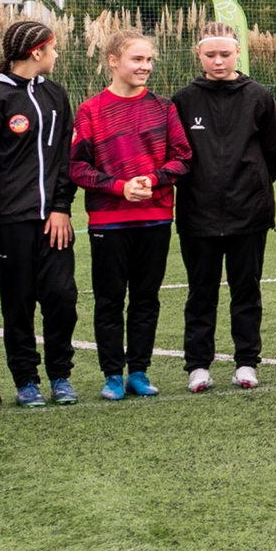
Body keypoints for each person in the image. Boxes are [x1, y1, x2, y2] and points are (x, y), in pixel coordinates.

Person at [70, 29, 192, 400]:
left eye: (149, 60)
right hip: (109, 220)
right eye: (137, 59)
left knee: (146, 298)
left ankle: (138, 371)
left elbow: (184, 158)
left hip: (155, 217)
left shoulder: (163, 107)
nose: (145, 66)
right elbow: (77, 168)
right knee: (109, 299)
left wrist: (153, 180)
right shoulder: (91, 110)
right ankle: (111, 375)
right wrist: (119, 187)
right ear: (113, 61)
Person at [172, 24, 276, 394]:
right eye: (210, 54)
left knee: (246, 291)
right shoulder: (184, 100)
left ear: (238, 52)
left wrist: (249, 185)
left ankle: (247, 362)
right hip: (197, 214)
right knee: (200, 292)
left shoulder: (259, 96)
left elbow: (274, 155)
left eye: (225, 54)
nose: (218, 61)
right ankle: (198, 366)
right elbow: (177, 155)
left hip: (248, 214)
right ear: (199, 55)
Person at [0, 18, 78, 407]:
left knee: (62, 298)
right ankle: (26, 379)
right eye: (53, 48)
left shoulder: (56, 94)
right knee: (18, 302)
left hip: (55, 219)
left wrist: (62, 206)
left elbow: (66, 157)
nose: (57, 54)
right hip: (10, 220)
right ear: (37, 52)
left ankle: (60, 376)